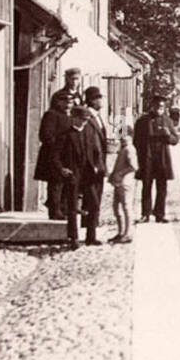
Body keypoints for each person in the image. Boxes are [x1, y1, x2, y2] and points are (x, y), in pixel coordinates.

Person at [58, 106, 100, 247]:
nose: (84, 122)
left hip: (87, 174)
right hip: (73, 174)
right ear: (74, 118)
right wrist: (62, 169)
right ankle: (74, 238)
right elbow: (54, 155)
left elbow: (95, 150)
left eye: (87, 120)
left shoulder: (89, 131)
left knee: (94, 204)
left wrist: (97, 165)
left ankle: (91, 237)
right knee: (72, 207)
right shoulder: (64, 135)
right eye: (82, 119)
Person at [134, 96, 179, 223]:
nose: (159, 109)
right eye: (157, 106)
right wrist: (141, 155)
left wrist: (168, 135)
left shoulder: (168, 121)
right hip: (147, 158)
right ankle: (145, 214)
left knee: (162, 187)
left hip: (162, 158)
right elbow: (136, 140)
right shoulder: (143, 121)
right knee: (146, 186)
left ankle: (160, 214)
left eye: (162, 107)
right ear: (152, 106)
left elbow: (175, 140)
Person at [34, 90, 72, 224]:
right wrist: (57, 144)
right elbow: (45, 135)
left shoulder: (68, 116)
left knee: (64, 183)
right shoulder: (51, 115)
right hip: (52, 154)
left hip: (65, 154)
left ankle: (61, 208)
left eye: (70, 101)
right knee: (55, 183)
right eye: (65, 101)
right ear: (57, 102)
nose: (68, 104)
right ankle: (54, 211)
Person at [82, 86, 109, 243]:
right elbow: (89, 144)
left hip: (99, 165)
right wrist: (94, 164)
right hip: (92, 166)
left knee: (95, 199)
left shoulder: (98, 116)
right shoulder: (88, 118)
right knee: (92, 200)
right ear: (92, 100)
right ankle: (90, 235)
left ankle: (91, 232)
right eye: (99, 98)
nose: (101, 100)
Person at [108, 121, 138, 243]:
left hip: (126, 182)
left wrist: (119, 174)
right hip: (119, 182)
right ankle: (120, 232)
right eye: (120, 136)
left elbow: (133, 166)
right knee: (117, 208)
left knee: (126, 207)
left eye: (125, 136)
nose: (122, 139)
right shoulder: (123, 148)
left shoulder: (129, 149)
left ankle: (128, 233)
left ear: (130, 136)